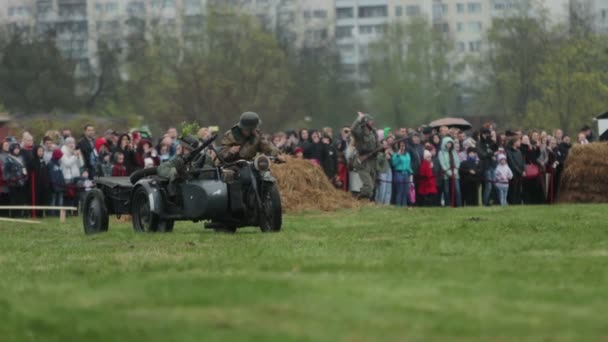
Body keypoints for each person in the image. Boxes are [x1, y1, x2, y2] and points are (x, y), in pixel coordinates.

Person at [350, 112, 380, 200]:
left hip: (372, 161)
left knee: (372, 187)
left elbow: (377, 145)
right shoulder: (360, 132)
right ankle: (357, 199)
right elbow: (352, 130)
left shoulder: (373, 132)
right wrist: (358, 120)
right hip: (363, 162)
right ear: (366, 121)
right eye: (370, 121)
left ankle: (363, 202)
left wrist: (383, 147)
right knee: (368, 186)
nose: (372, 122)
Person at [439, 136, 461, 207]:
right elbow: (442, 163)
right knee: (446, 190)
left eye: (450, 143)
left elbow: (457, 162)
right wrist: (448, 172)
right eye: (447, 143)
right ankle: (447, 204)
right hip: (446, 174)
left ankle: (458, 204)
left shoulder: (454, 152)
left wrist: (455, 171)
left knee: (457, 189)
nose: (449, 145)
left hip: (455, 173)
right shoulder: (441, 153)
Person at [478, 128, 497, 206]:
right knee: (488, 186)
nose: (487, 136)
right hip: (486, 167)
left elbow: (496, 148)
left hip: (492, 165)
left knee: (492, 185)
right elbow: (482, 155)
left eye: (488, 134)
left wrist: (493, 141)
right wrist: (491, 154)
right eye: (485, 134)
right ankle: (485, 202)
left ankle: (490, 200)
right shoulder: (479, 143)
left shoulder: (490, 142)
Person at [391, 141, 413, 207]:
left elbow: (408, 164)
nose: (402, 147)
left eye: (403, 145)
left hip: (406, 173)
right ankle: (398, 206)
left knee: (405, 191)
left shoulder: (407, 154)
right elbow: (394, 164)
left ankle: (404, 205)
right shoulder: (395, 154)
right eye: (401, 146)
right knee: (399, 190)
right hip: (398, 173)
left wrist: (411, 172)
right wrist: (398, 155)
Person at [506, 137, 524, 205]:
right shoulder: (509, 151)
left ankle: (518, 202)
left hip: (519, 173)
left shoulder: (519, 151)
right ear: (514, 142)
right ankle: (512, 202)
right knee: (513, 188)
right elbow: (512, 163)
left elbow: (522, 161)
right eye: (518, 141)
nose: (520, 143)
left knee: (518, 188)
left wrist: (523, 170)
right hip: (513, 173)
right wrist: (519, 171)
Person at [375, 139, 393, 205]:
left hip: (389, 170)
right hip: (382, 171)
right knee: (382, 189)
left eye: (386, 144)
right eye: (384, 144)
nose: (386, 145)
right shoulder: (378, 152)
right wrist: (384, 155)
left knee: (388, 189)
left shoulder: (388, 151)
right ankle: (379, 203)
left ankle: (386, 204)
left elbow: (392, 161)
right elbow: (377, 162)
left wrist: (392, 154)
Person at [48, 149, 65, 216]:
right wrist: (54, 184)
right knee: (53, 200)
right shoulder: (51, 164)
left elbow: (61, 175)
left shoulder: (58, 164)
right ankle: (52, 213)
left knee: (60, 200)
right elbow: (51, 175)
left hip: (60, 185)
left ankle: (59, 213)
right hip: (54, 185)